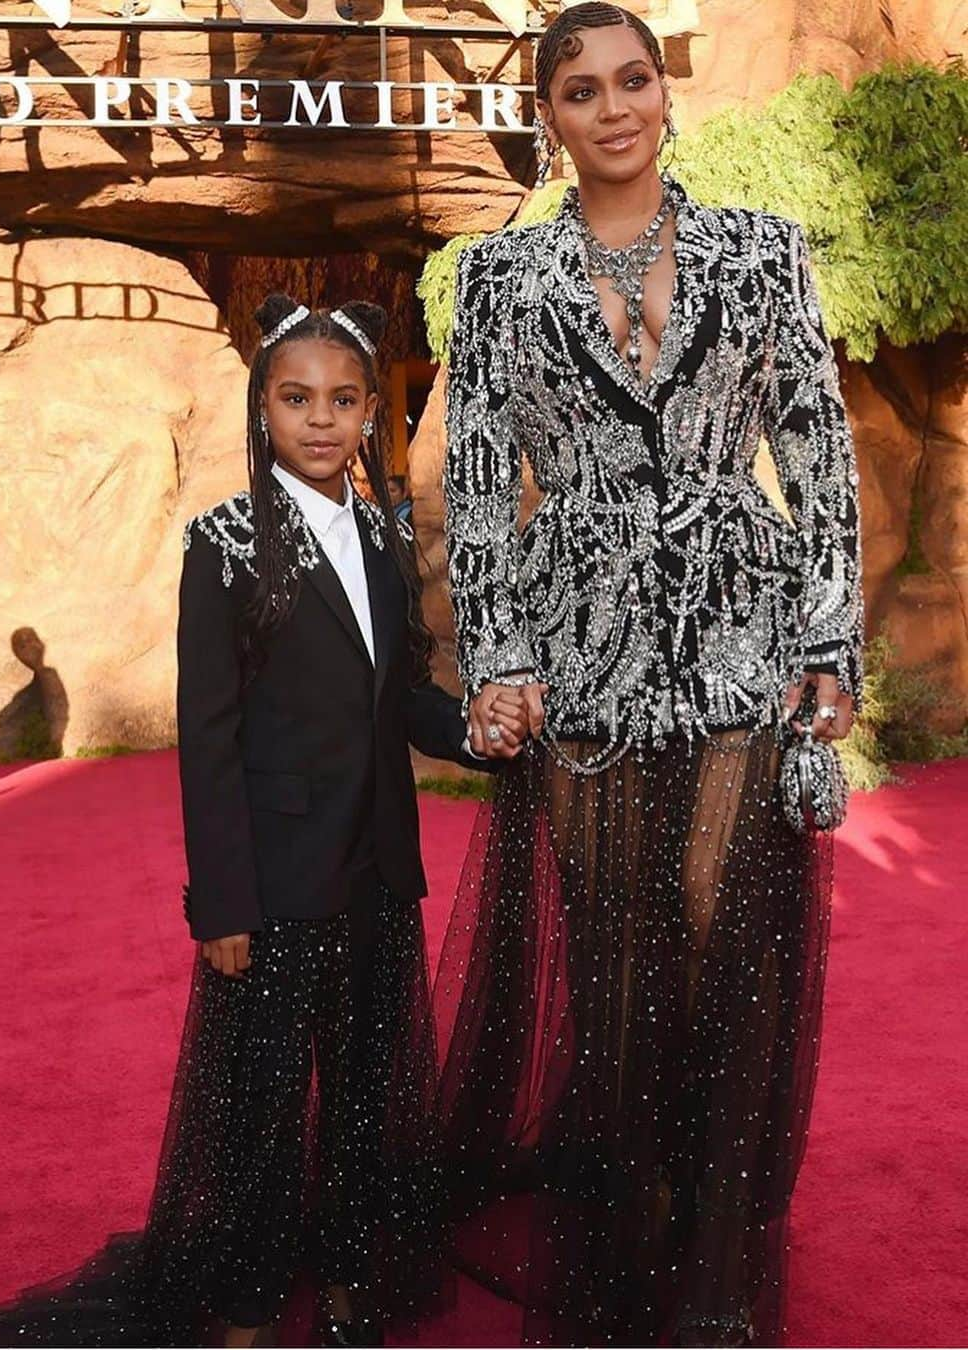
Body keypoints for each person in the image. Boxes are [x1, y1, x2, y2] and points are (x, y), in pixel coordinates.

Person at [0, 294, 529, 1350]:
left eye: (345, 400)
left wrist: (477, 733)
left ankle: (355, 1286)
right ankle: (246, 1308)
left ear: (370, 412)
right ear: (260, 406)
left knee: (367, 1097)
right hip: (271, 885)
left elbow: (399, 698)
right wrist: (221, 899)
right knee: (262, 1114)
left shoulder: (384, 534)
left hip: (378, 874)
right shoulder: (220, 544)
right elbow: (211, 739)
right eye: (296, 398)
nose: (321, 419)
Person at [435, 4, 863, 1346]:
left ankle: (713, 1258)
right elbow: (474, 482)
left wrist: (831, 641)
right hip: (581, 651)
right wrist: (500, 654)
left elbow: (820, 448)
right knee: (617, 950)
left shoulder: (760, 250)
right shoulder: (500, 285)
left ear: (662, 92)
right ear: (548, 116)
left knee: (719, 927)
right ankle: (623, 1244)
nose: (614, 108)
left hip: (743, 626)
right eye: (580, 90)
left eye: (633, 80)